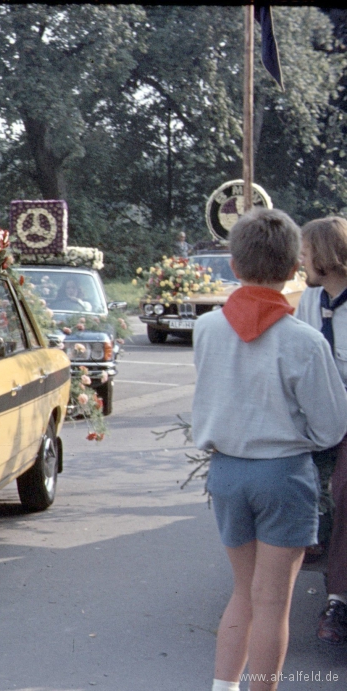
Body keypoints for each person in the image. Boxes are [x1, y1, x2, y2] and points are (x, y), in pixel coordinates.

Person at [191, 208, 347, 691]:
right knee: (273, 600)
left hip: (227, 474)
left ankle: (224, 686)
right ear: (293, 268)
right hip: (283, 475)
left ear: (234, 266)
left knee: (243, 591)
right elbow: (330, 427)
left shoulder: (207, 328)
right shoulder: (301, 340)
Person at [293, 216, 347, 646]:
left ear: (328, 258)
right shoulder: (308, 303)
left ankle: (339, 598)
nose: (300, 261)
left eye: (307, 253)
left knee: (345, 486)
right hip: (314, 416)